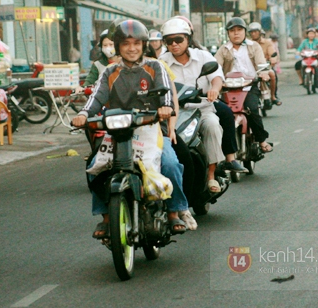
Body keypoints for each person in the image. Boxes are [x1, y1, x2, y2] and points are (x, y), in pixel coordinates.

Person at [72, 19, 196, 237]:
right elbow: (96, 98)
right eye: (126, 44)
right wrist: (83, 114)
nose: (132, 48)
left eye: (137, 43)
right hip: (118, 132)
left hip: (151, 130)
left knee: (171, 163)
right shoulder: (110, 71)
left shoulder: (155, 66)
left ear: (144, 45)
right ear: (118, 46)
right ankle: (106, 216)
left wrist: (166, 108)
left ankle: (175, 211)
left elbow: (166, 91)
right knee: (95, 166)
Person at [159, 17, 247, 194]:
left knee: (213, 125)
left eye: (179, 39)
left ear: (188, 39)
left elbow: (216, 77)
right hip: (176, 113)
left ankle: (211, 176)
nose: (174, 44)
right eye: (170, 41)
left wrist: (214, 89)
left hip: (202, 109)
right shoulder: (161, 62)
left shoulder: (203, 56)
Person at [214, 18, 273, 154]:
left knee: (252, 109)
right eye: (232, 31)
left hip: (249, 86)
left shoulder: (254, 46)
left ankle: (261, 140)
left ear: (245, 32)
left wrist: (263, 73)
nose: (236, 33)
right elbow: (216, 66)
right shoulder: (223, 50)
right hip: (227, 88)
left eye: (239, 30)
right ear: (228, 33)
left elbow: (261, 63)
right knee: (220, 114)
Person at [248, 22, 280, 106]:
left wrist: (273, 59)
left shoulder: (268, 43)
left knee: (272, 74)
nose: (253, 34)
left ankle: (273, 96)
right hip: (251, 68)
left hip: (265, 67)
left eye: (255, 31)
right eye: (251, 32)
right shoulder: (247, 44)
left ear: (260, 32)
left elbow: (272, 53)